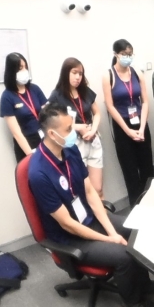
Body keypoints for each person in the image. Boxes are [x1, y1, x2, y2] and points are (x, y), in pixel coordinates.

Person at [27, 102, 154, 307]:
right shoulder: (39, 174)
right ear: (52, 134)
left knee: (135, 230)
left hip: (89, 218)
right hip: (71, 237)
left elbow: (90, 192)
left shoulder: (69, 149)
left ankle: (143, 284)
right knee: (124, 255)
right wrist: (110, 239)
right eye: (68, 129)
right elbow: (67, 224)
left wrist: (111, 230)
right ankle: (132, 300)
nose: (73, 133)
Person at [101, 39, 154, 207]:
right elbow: (110, 106)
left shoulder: (137, 73)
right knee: (130, 172)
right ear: (115, 54)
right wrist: (128, 130)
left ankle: (151, 205)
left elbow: (145, 102)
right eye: (124, 54)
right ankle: (136, 208)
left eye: (130, 54)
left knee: (147, 169)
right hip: (122, 126)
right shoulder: (108, 76)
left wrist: (142, 127)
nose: (128, 57)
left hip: (141, 122)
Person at [49, 57, 105, 200]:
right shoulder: (56, 96)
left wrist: (93, 129)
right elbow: (54, 125)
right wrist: (77, 127)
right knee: (84, 191)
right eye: (74, 73)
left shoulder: (85, 91)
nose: (78, 77)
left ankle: (104, 213)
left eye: (80, 74)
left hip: (92, 139)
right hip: (75, 144)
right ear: (66, 73)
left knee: (98, 188)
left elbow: (97, 113)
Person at [0, 52, 49, 162]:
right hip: (26, 144)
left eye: (25, 67)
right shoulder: (7, 97)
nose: (24, 71)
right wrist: (31, 155)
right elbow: (16, 133)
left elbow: (49, 114)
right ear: (12, 71)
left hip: (44, 137)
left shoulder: (34, 89)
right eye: (20, 68)